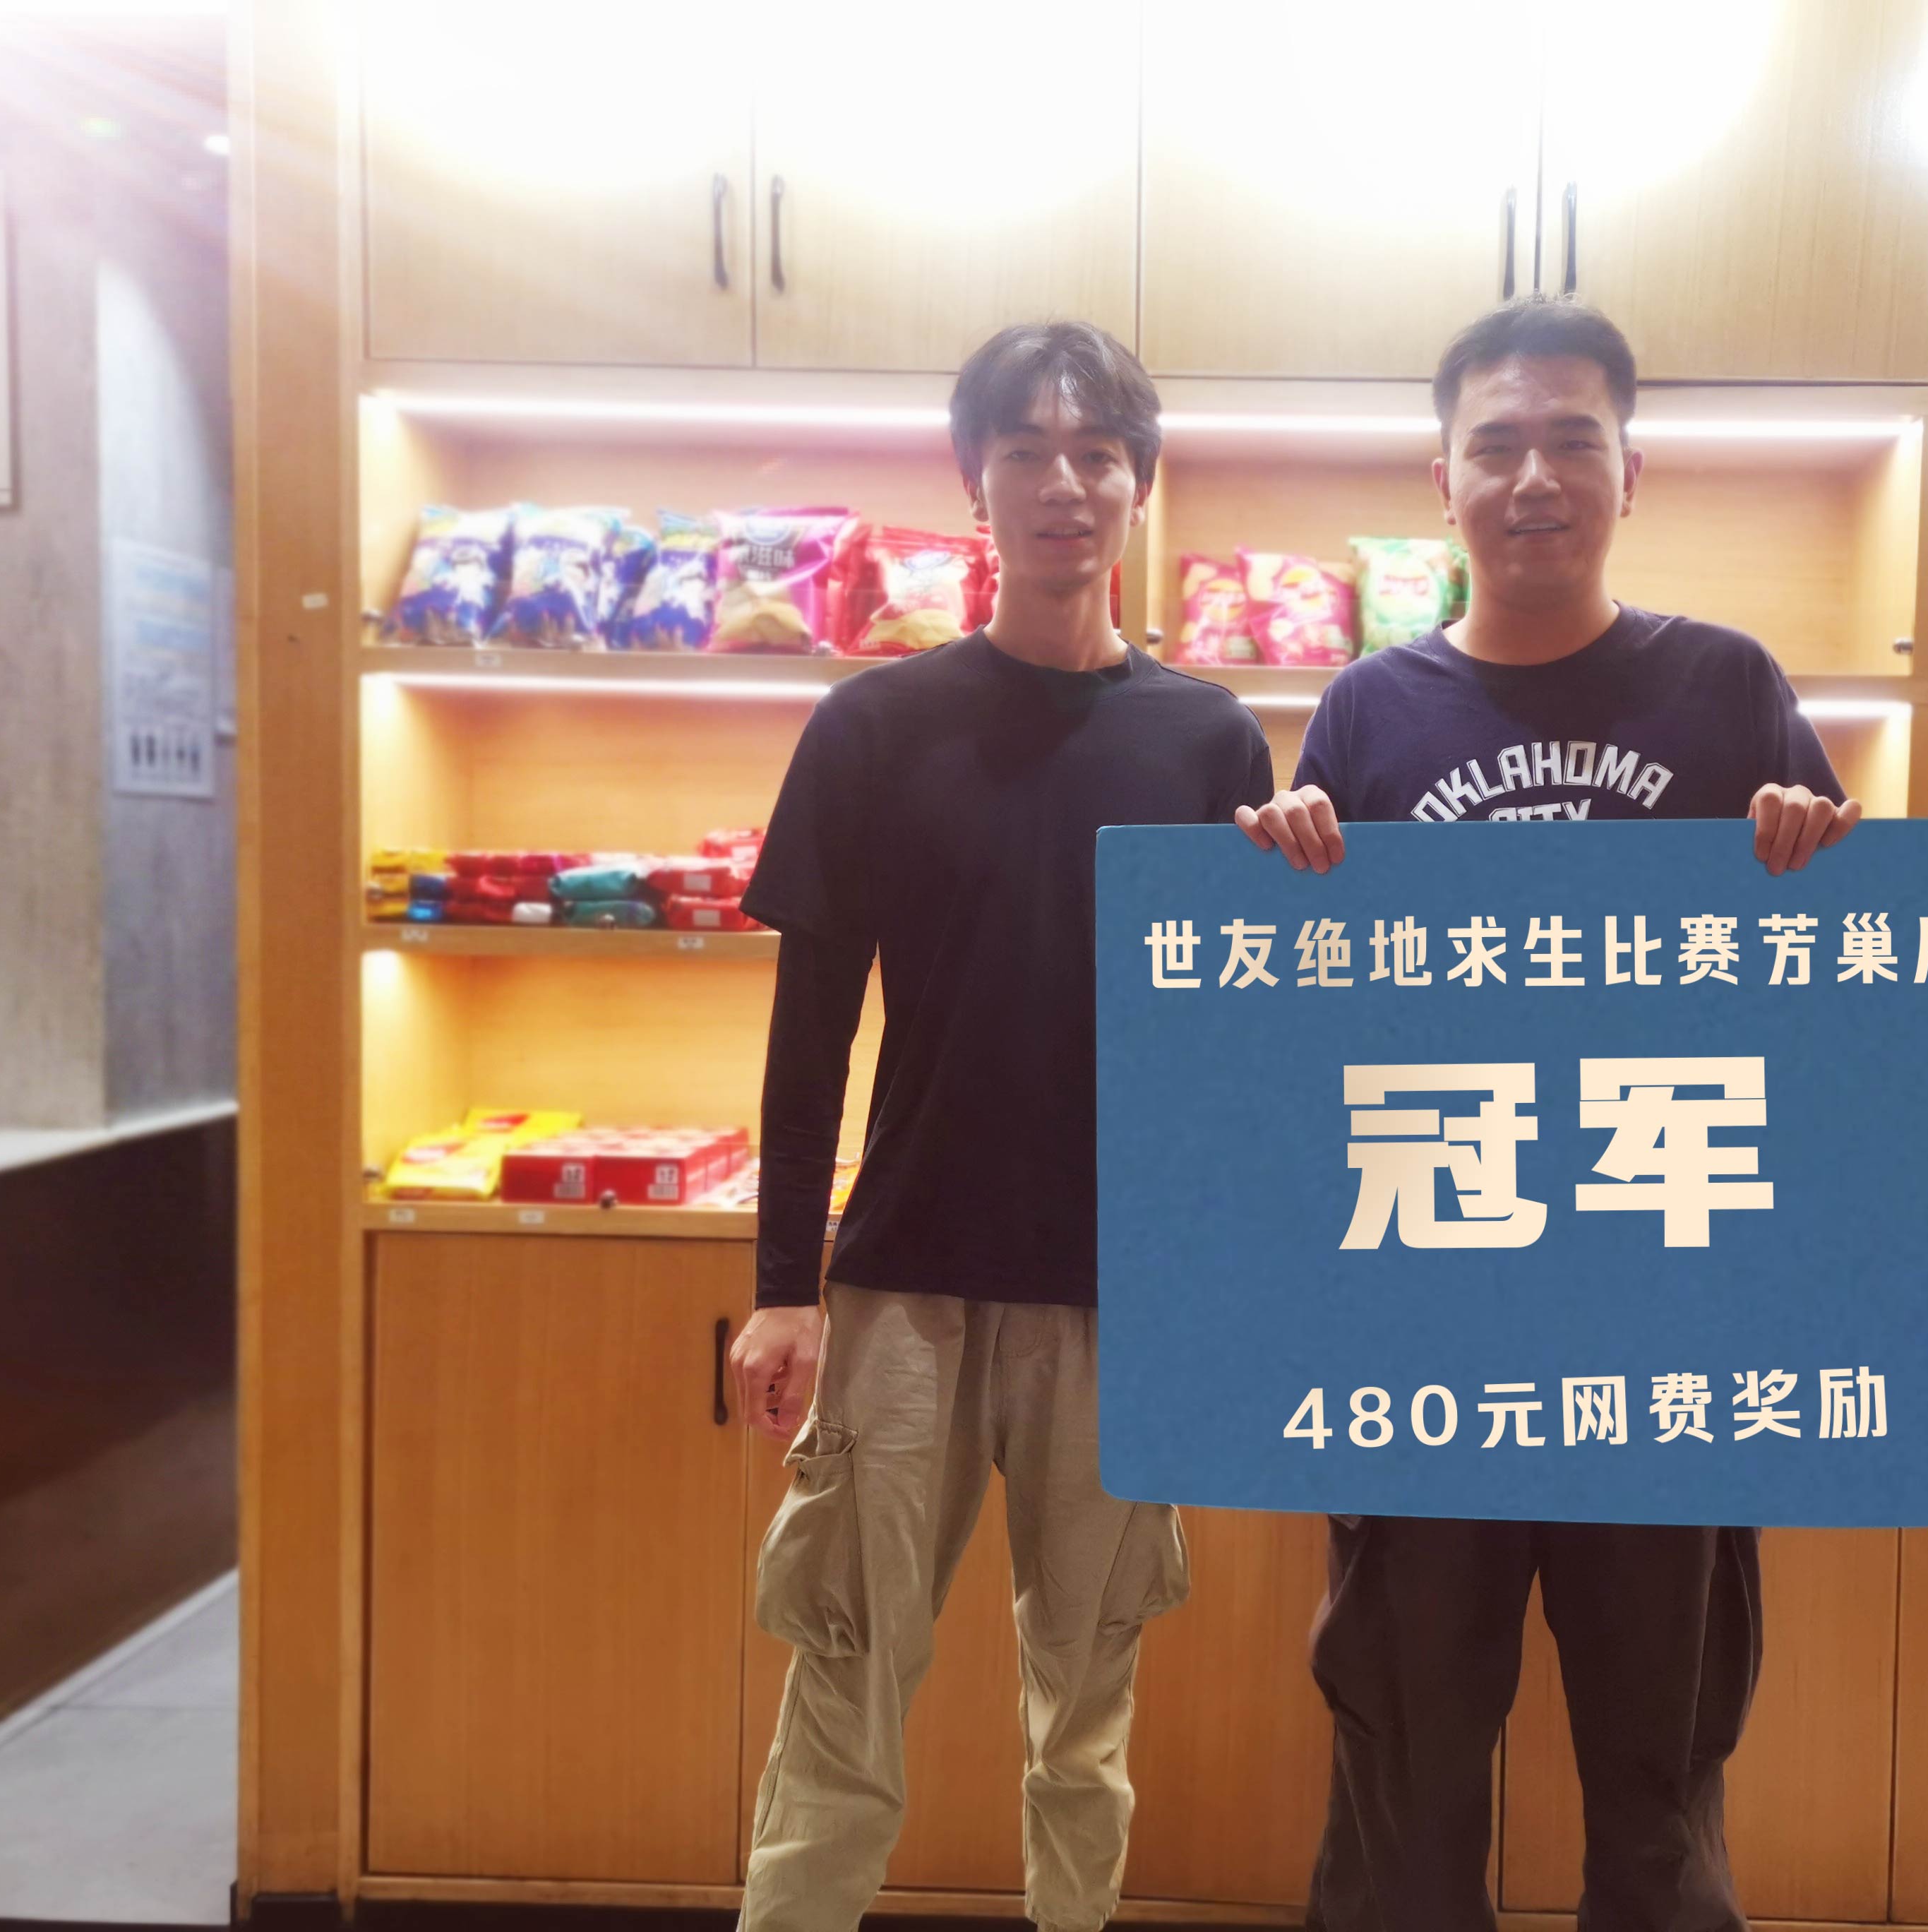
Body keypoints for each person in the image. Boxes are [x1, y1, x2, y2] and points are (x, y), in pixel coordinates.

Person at [1237, 296, 1861, 1932]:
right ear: (1440, 478)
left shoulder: (1730, 689)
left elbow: (1833, 1015)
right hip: (1425, 1329)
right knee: (1405, 1783)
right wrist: (1276, 896)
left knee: (1661, 1793)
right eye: (1496, 445)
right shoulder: (1368, 711)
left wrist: (1815, 865)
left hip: (1665, 1325)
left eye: (1572, 442)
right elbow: (1308, 1048)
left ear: (1630, 472)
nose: (1533, 478)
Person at [730, 320, 1275, 1932]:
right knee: (846, 1687)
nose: (1063, 484)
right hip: (904, 1284)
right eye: (1026, 450)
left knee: (1085, 1719)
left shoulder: (1209, 741)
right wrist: (784, 1287)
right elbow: (809, 1038)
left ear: (1139, 484)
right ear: (975, 479)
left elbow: (1229, 1062)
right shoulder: (873, 727)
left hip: (1120, 1297)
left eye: (1098, 452)